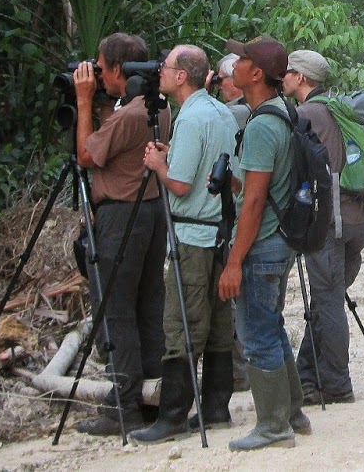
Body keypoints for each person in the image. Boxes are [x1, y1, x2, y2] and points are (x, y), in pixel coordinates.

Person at [130, 46, 239, 443]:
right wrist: (172, 157)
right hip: (221, 231)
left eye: (166, 66)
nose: (159, 71)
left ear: (181, 76)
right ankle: (216, 407)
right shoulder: (222, 112)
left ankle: (173, 414)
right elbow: (229, 177)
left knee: (182, 324)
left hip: (192, 235)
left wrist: (160, 166)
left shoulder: (191, 118)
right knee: (219, 323)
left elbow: (180, 184)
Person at [71, 32, 170, 435]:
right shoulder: (157, 106)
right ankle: (153, 399)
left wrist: (82, 102)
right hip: (152, 212)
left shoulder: (128, 115)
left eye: (100, 68)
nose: (97, 75)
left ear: (118, 69)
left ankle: (123, 404)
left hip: (121, 215)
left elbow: (85, 155)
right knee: (148, 306)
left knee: (115, 308)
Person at [217, 36, 310, 450]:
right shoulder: (283, 112)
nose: (233, 65)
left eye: (241, 60)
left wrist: (234, 262)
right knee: (271, 326)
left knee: (256, 335)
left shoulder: (260, 127)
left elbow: (254, 203)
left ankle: (273, 427)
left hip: (262, 244)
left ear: (255, 74)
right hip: (281, 240)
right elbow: (260, 187)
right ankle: (293, 413)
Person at [283, 49, 364, 406]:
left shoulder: (305, 114)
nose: (283, 77)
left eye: (288, 72)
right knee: (326, 300)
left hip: (329, 222)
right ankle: (308, 374)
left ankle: (336, 383)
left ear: (301, 78)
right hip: (357, 219)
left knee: (328, 302)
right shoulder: (337, 108)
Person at [212, 52, 251, 128]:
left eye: (220, 80)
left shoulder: (237, 111)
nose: (219, 87)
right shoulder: (254, 104)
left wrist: (200, 93)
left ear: (234, 77)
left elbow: (200, 123)